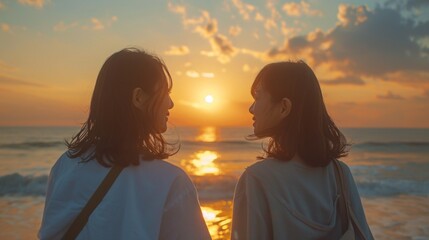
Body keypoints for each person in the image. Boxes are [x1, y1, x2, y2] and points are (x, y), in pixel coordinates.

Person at [38, 48, 211, 240]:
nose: (170, 104)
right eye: (165, 92)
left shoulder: (65, 166)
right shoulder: (170, 182)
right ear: (138, 98)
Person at [231, 61, 373, 240]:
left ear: (284, 107)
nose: (251, 108)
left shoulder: (257, 179)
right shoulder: (340, 175)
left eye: (258, 97)